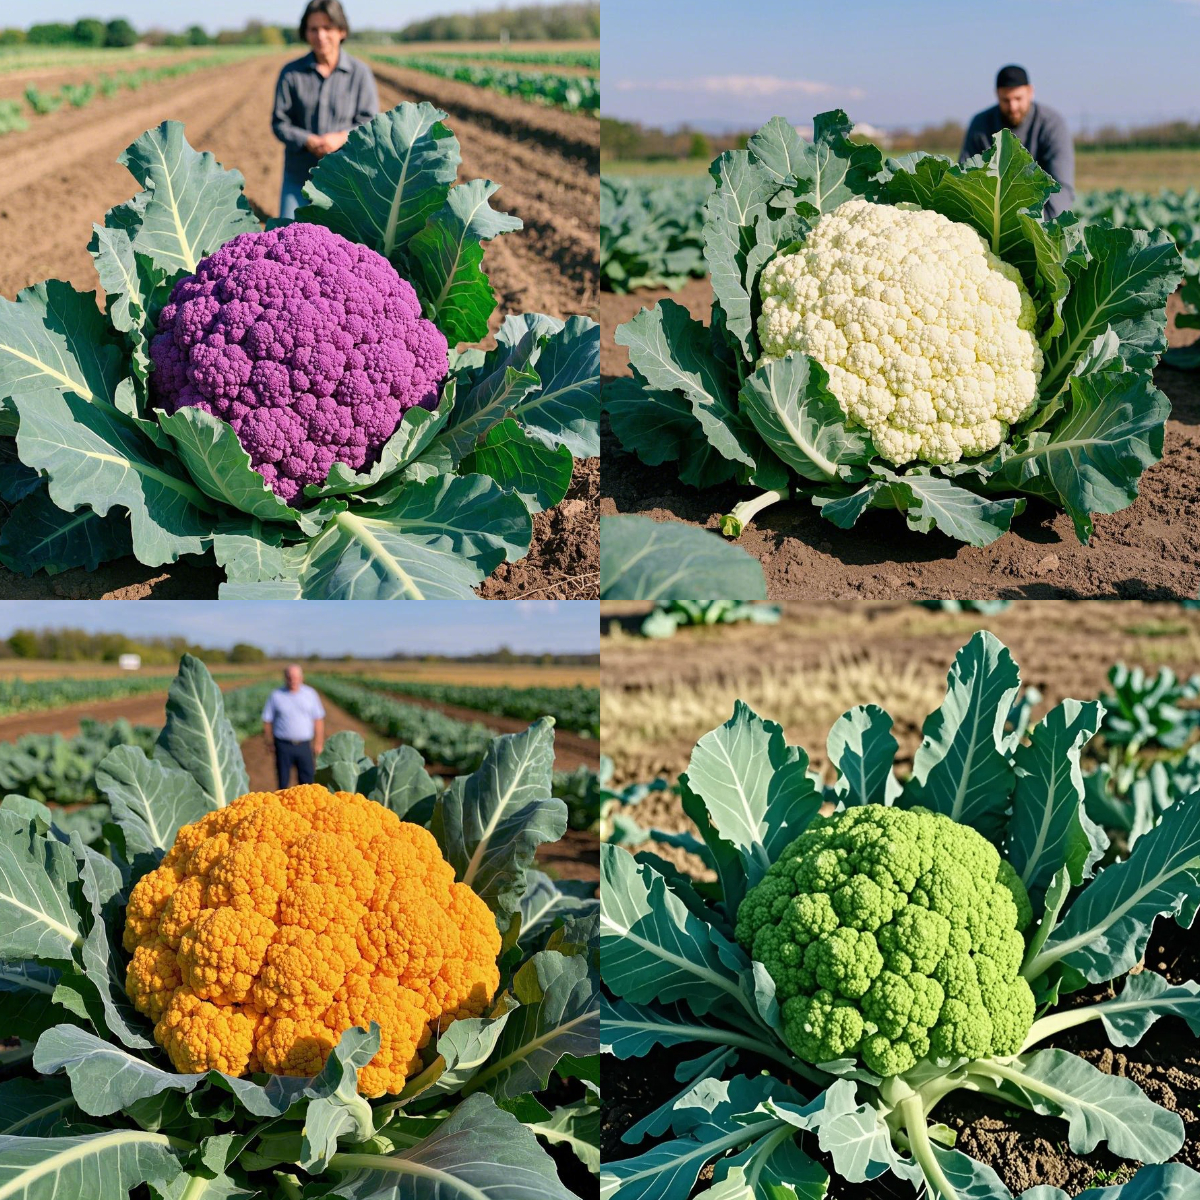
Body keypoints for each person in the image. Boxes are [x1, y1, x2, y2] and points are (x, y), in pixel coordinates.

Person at [271, 0, 379, 220]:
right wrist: (307, 140)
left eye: (327, 28)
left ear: (342, 31)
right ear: (306, 33)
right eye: (313, 29)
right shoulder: (291, 73)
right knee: (288, 235)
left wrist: (341, 138)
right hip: (299, 175)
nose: (320, 35)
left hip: (346, 179)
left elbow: (370, 122)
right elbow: (280, 122)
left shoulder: (360, 74)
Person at [960, 65, 1075, 219]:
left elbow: (1062, 189)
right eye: (1005, 100)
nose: (1013, 107)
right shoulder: (980, 126)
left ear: (1030, 92)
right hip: (988, 221)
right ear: (997, 95)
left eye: (1018, 98)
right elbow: (963, 180)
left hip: (1039, 224)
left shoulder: (1052, 125)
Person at [262, 664, 326, 788]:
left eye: (296, 677)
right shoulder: (276, 695)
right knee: (283, 781)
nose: (293, 680)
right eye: (290, 677)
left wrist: (319, 742)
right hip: (282, 745)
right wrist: (268, 741)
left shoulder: (310, 694)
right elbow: (267, 719)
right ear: (285, 678)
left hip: (304, 745)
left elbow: (318, 719)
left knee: (307, 782)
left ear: (302, 677)